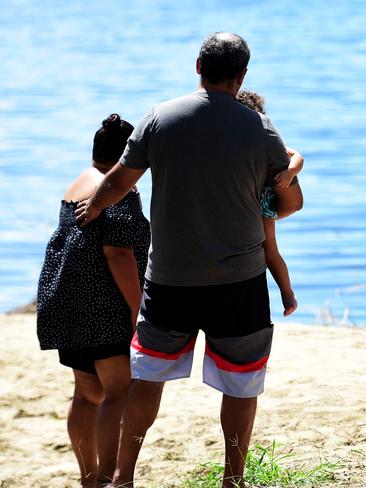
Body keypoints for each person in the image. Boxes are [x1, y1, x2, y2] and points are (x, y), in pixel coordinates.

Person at [75, 32, 303, 488]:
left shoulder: (160, 118)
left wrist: (95, 206)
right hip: (239, 284)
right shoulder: (259, 127)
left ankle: (123, 477)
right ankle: (233, 479)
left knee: (147, 379)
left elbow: (120, 179)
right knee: (240, 384)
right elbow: (290, 203)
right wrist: (292, 169)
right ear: (241, 76)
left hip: (170, 281)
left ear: (198, 65)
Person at [36, 114, 150, 487]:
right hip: (103, 306)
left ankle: (89, 479)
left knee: (87, 394)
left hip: (67, 302)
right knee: (119, 392)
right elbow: (118, 254)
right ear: (130, 155)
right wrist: (137, 308)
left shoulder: (77, 184)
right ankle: (105, 479)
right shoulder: (117, 190)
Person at [236, 89, 304, 316]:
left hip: (263, 201)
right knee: (270, 248)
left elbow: (297, 157)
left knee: (271, 248)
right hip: (248, 201)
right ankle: (287, 294)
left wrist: (290, 173)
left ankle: (287, 293)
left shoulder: (267, 141)